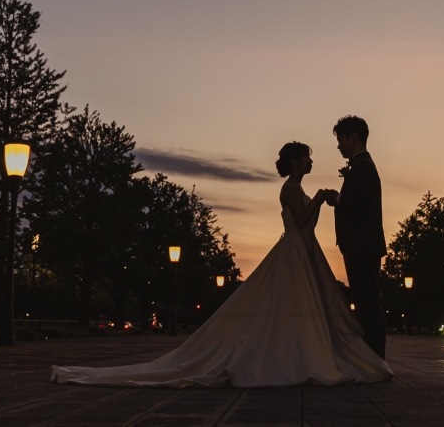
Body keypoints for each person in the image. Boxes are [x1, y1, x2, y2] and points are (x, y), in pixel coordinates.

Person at [51, 142, 392, 387]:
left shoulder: (298, 188)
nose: (310, 161)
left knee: (306, 308)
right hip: (294, 254)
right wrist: (319, 197)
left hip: (305, 252)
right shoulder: (289, 188)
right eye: (307, 157)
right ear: (295, 161)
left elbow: (307, 224)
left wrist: (318, 200)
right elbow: (301, 218)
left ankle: (302, 352)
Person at [323, 116, 387, 359]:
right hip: (361, 245)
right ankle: (373, 357)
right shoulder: (361, 166)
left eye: (341, 140)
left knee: (368, 304)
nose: (339, 146)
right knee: (366, 302)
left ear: (353, 138)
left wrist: (337, 198)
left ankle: (375, 358)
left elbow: (364, 204)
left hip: (363, 246)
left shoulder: (363, 168)